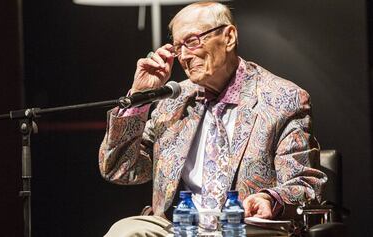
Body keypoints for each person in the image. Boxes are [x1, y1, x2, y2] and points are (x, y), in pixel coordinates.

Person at [99, 1, 327, 236]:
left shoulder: (282, 99)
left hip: (242, 227)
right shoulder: (173, 101)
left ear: (228, 37)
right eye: (178, 47)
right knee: (124, 230)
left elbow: (305, 184)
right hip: (179, 226)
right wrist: (139, 98)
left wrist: (271, 199)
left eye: (192, 41)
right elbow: (120, 170)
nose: (185, 56)